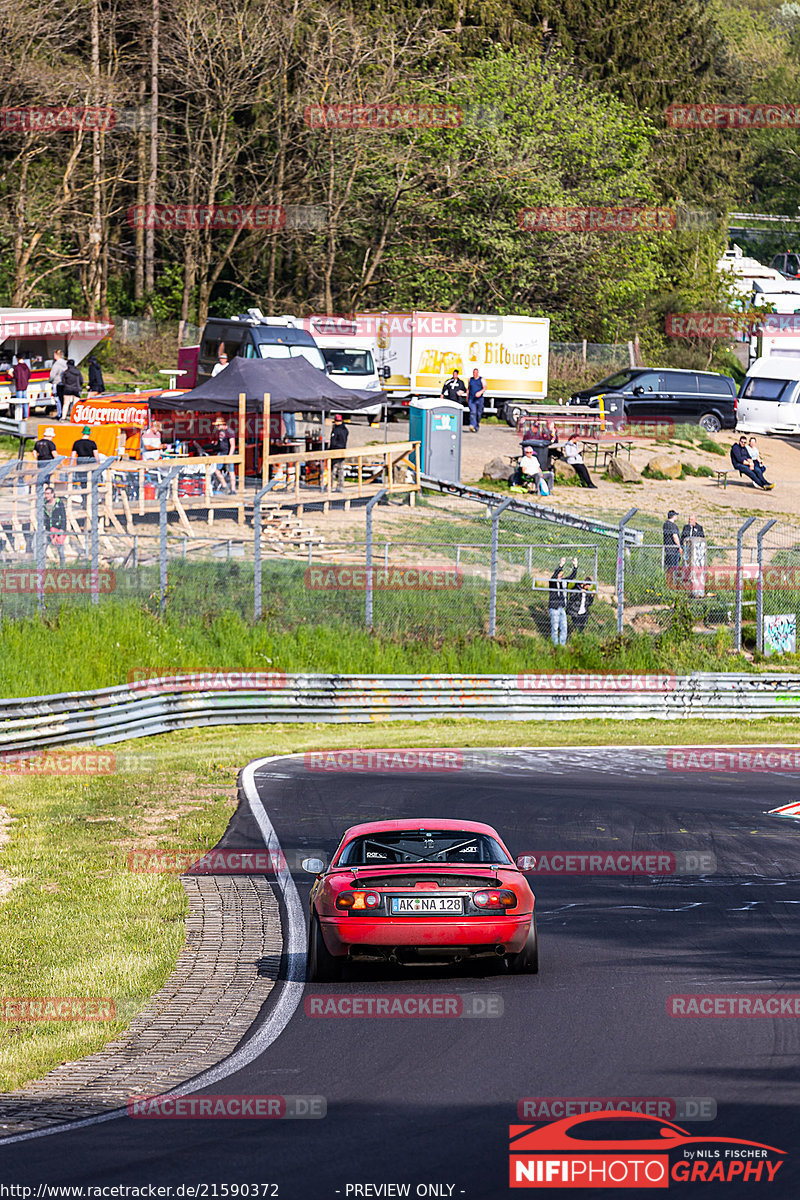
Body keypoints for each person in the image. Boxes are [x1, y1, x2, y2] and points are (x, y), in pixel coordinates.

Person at [549, 556, 577, 646]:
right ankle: (555, 645)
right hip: (554, 608)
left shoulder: (564, 581)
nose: (561, 576)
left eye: (562, 574)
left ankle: (562, 644)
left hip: (562, 608)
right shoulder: (553, 582)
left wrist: (575, 566)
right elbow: (553, 576)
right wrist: (561, 565)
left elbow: (572, 576)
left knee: (564, 627)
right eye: (559, 574)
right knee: (555, 627)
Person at [70, 425, 100, 503]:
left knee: (83, 483)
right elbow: (96, 455)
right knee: (91, 482)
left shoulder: (76, 443)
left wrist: (70, 466)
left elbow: (73, 456)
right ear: (89, 433)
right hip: (90, 465)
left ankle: (84, 500)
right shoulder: (92, 443)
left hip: (81, 465)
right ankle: (90, 501)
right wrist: (98, 464)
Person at [43, 484, 67, 565]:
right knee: (43, 547)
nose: (47, 496)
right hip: (48, 529)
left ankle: (62, 567)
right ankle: (41, 566)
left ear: (53, 494)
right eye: (45, 494)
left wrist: (62, 529)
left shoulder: (59, 503)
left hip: (57, 529)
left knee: (60, 550)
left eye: (48, 493)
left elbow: (63, 516)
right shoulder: (44, 504)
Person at [211, 417, 236, 493]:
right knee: (215, 469)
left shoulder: (229, 431)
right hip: (221, 453)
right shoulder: (219, 432)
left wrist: (230, 456)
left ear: (223, 424)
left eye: (218, 425)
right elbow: (219, 442)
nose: (217, 427)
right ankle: (225, 486)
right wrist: (215, 443)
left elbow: (232, 445)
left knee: (231, 472)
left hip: (228, 453)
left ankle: (233, 489)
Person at [329, 413, 348, 491]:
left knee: (333, 470)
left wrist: (330, 449)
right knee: (341, 469)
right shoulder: (345, 429)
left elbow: (333, 442)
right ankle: (340, 486)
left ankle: (330, 486)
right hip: (343, 450)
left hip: (335, 451)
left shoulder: (336, 430)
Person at [49, 349, 67, 419]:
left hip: (56, 383)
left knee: (57, 399)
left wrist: (50, 381)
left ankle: (59, 414)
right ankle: (64, 414)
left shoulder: (56, 364)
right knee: (63, 399)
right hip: (64, 383)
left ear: (56, 355)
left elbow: (52, 375)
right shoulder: (65, 363)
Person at [467, 368, 486, 433]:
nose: (475, 374)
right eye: (474, 373)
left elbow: (484, 388)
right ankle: (472, 426)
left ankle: (477, 425)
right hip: (471, 399)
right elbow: (468, 389)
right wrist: (467, 397)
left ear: (478, 373)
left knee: (479, 413)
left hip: (479, 399)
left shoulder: (481, 379)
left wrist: (480, 393)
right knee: (473, 412)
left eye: (476, 372)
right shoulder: (470, 379)